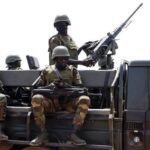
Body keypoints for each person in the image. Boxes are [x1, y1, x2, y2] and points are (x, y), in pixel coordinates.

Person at [30, 46, 90, 146]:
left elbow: (81, 90)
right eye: (61, 58)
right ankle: (43, 133)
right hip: (51, 104)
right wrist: (49, 88)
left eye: (66, 58)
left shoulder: (73, 70)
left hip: (68, 104)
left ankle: (73, 135)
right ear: (55, 59)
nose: (64, 60)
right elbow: (36, 89)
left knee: (85, 99)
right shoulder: (47, 71)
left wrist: (67, 88)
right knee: (36, 98)